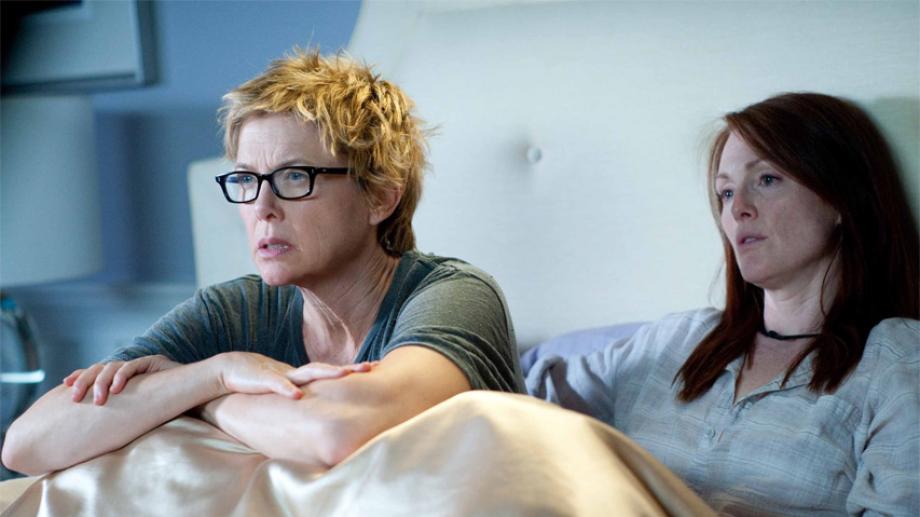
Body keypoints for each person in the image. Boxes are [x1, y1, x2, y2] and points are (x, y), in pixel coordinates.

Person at [1, 48, 524, 476]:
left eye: (295, 176)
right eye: (247, 179)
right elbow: (28, 444)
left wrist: (203, 398)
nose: (261, 207)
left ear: (380, 197)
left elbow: (338, 433)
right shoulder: (236, 311)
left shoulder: (455, 295)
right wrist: (217, 372)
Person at [527, 93, 919, 515]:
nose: (738, 210)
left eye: (766, 180)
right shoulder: (677, 339)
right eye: (726, 193)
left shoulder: (895, 363)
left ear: (841, 197)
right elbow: (515, 404)